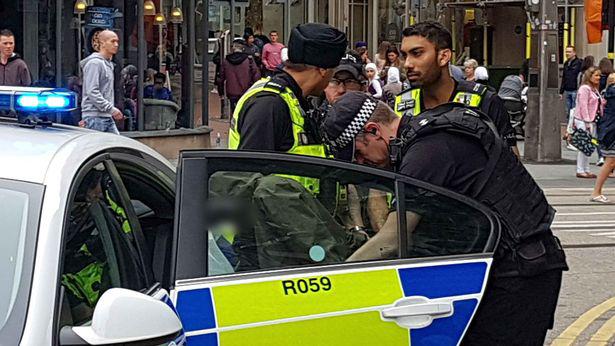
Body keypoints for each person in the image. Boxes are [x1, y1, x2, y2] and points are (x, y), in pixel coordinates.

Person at [321, 90, 568, 346]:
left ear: (373, 131)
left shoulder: (428, 151)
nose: (361, 162)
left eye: (359, 154)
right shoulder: (421, 138)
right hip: (508, 267)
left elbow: (394, 238)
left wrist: (333, 278)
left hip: (518, 274)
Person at [393, 22, 519, 156]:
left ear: (444, 56)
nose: (407, 64)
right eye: (404, 56)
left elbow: (512, 164)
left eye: (416, 53)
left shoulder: (484, 100)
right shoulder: (401, 104)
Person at [228, 22, 347, 157]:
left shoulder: (292, 98)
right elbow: (249, 172)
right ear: (323, 70)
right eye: (334, 74)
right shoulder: (269, 105)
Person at [80, 29, 123, 134]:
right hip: (94, 117)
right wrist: (111, 109)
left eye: (117, 41)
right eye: (113, 41)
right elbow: (92, 91)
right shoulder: (95, 63)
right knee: (95, 148)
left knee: (115, 146)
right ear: (102, 43)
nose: (116, 44)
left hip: (105, 115)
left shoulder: (109, 64)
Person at [572, 67, 605, 178]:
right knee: (584, 144)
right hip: (584, 120)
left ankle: (586, 169)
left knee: (589, 144)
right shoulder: (585, 89)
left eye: (599, 75)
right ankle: (580, 169)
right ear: (589, 76)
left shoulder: (594, 89)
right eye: (596, 75)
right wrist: (587, 121)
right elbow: (583, 105)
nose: (598, 78)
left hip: (592, 120)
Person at [591, 73, 615, 203]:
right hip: (612, 132)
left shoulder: (609, 92)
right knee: (610, 161)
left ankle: (597, 191)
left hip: (609, 130)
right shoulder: (613, 92)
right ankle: (596, 192)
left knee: (610, 161)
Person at [219, 42, 260, 114]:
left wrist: (221, 92)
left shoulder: (226, 61)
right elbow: (256, 74)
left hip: (231, 91)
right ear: (243, 49)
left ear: (233, 49)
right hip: (246, 90)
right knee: (244, 111)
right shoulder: (249, 60)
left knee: (234, 111)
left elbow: (221, 78)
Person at [559, 46, 582, 121]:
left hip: (575, 89)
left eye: (569, 52)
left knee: (574, 110)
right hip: (568, 90)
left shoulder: (579, 63)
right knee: (568, 110)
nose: (567, 53)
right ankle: (569, 126)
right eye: (566, 51)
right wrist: (561, 91)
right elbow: (564, 77)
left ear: (574, 53)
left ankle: (572, 126)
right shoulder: (566, 63)